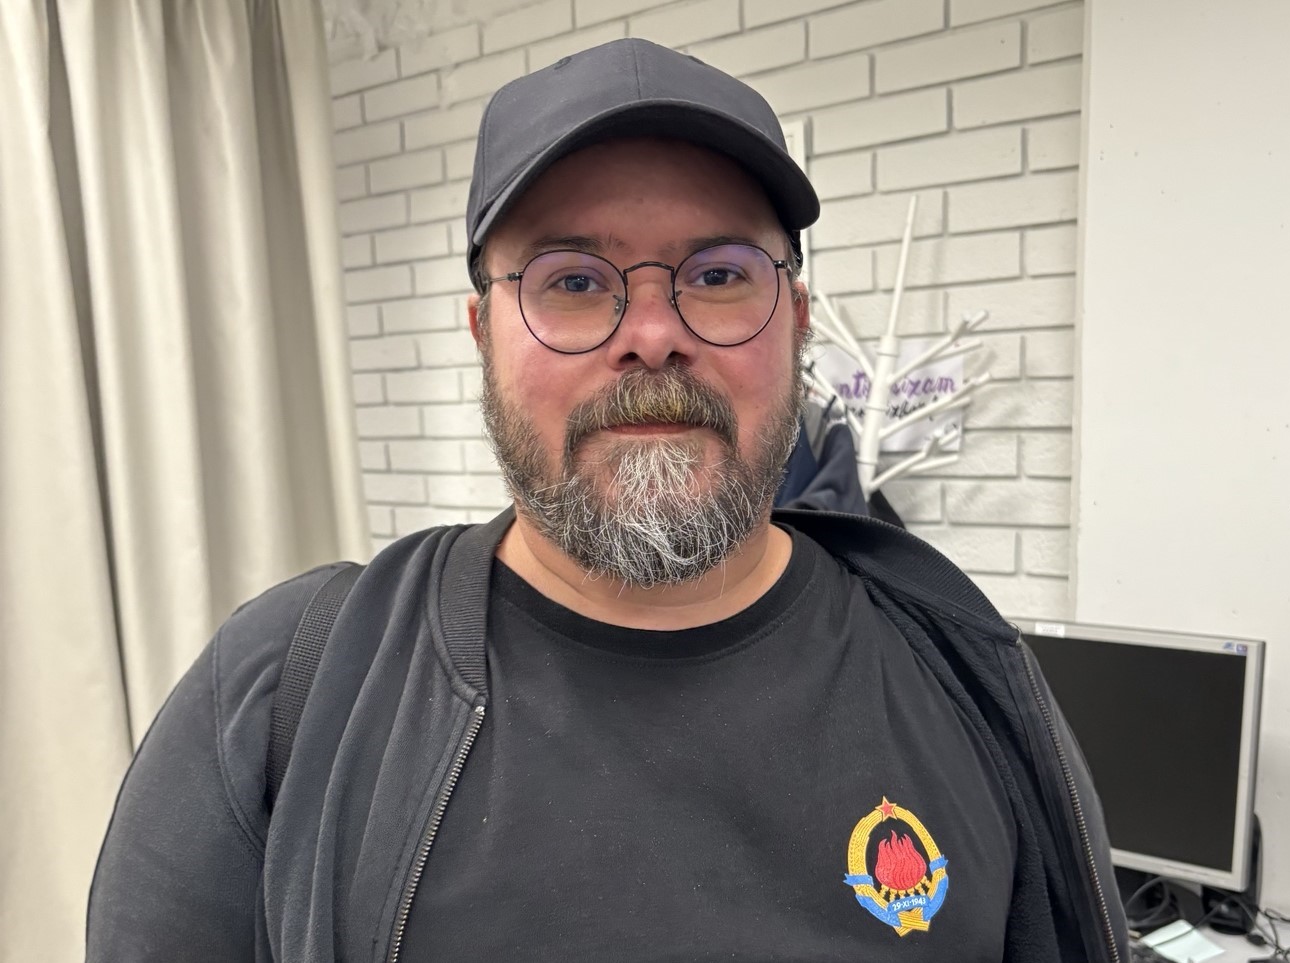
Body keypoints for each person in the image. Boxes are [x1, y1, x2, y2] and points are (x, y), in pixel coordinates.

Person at [87, 38, 1127, 962]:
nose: (653, 335)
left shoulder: (969, 675)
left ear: (798, 322)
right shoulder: (290, 692)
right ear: (483, 336)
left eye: (718, 274)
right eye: (574, 281)